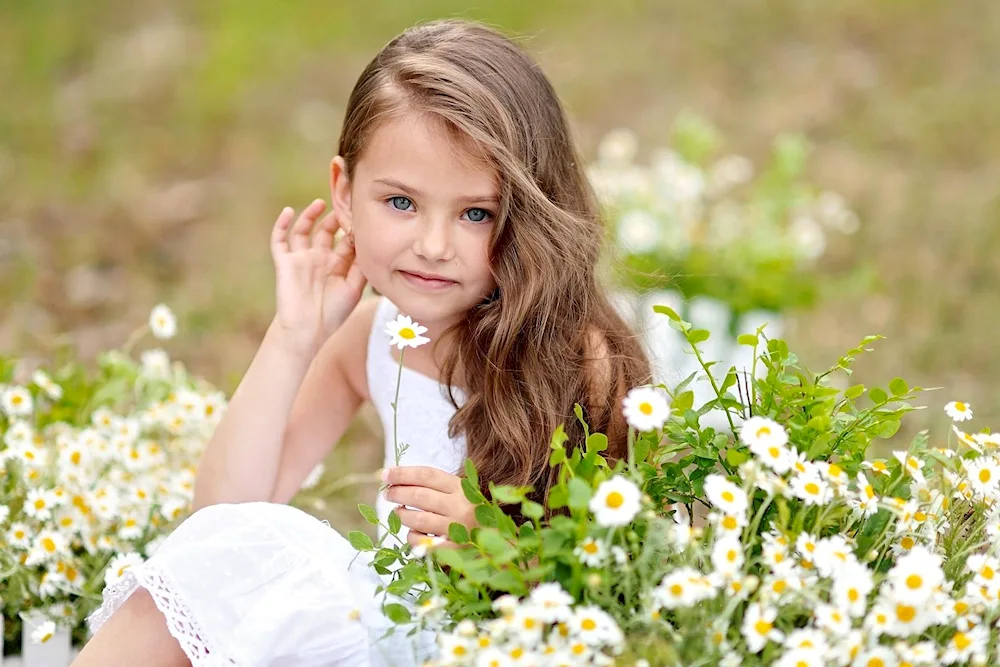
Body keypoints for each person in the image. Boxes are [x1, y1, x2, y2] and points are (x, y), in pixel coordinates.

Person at [71, 18, 652, 667]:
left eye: (476, 213)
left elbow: (621, 574)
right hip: (387, 626)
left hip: (494, 643)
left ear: (528, 209)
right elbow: (219, 518)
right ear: (344, 193)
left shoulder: (577, 358)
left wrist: (489, 536)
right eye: (401, 202)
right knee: (222, 571)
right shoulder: (369, 337)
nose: (433, 244)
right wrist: (293, 336)